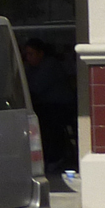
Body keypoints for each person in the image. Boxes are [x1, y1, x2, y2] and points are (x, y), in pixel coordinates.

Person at [21, 38, 77, 174]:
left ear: (41, 53)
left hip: (60, 106)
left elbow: (34, 88)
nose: (28, 58)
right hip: (44, 105)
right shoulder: (30, 68)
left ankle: (54, 158)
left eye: (31, 54)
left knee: (47, 124)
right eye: (26, 55)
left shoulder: (50, 65)